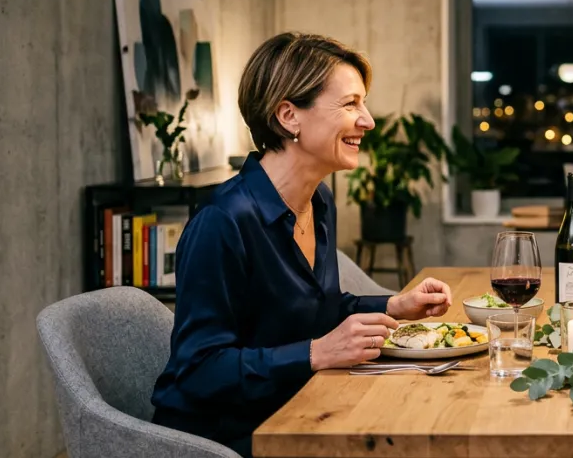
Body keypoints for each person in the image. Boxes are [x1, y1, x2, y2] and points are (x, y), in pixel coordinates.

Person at [151, 32, 452, 457]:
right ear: (289, 116)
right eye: (350, 104)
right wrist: (315, 353)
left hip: (302, 409)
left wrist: (392, 306)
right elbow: (198, 371)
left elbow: (316, 309)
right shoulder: (222, 222)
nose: (367, 120)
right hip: (225, 438)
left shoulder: (319, 201)